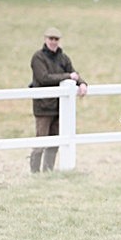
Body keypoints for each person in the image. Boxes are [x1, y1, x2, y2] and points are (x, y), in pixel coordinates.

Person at [29, 26, 87, 172]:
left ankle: (48, 171)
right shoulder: (38, 57)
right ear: (45, 39)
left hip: (60, 107)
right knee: (40, 142)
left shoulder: (63, 57)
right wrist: (68, 77)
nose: (53, 42)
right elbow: (43, 78)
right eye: (51, 39)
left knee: (55, 142)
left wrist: (82, 83)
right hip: (43, 107)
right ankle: (35, 172)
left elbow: (73, 73)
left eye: (56, 39)